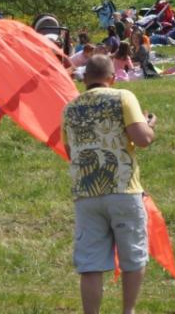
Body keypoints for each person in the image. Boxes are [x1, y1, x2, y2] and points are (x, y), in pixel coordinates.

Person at [61, 55, 156, 314]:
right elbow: (142, 139)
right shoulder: (123, 96)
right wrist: (149, 126)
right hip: (123, 188)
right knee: (133, 258)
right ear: (112, 78)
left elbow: (71, 152)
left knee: (90, 264)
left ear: (84, 80)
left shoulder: (69, 108)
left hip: (86, 193)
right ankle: (128, 311)